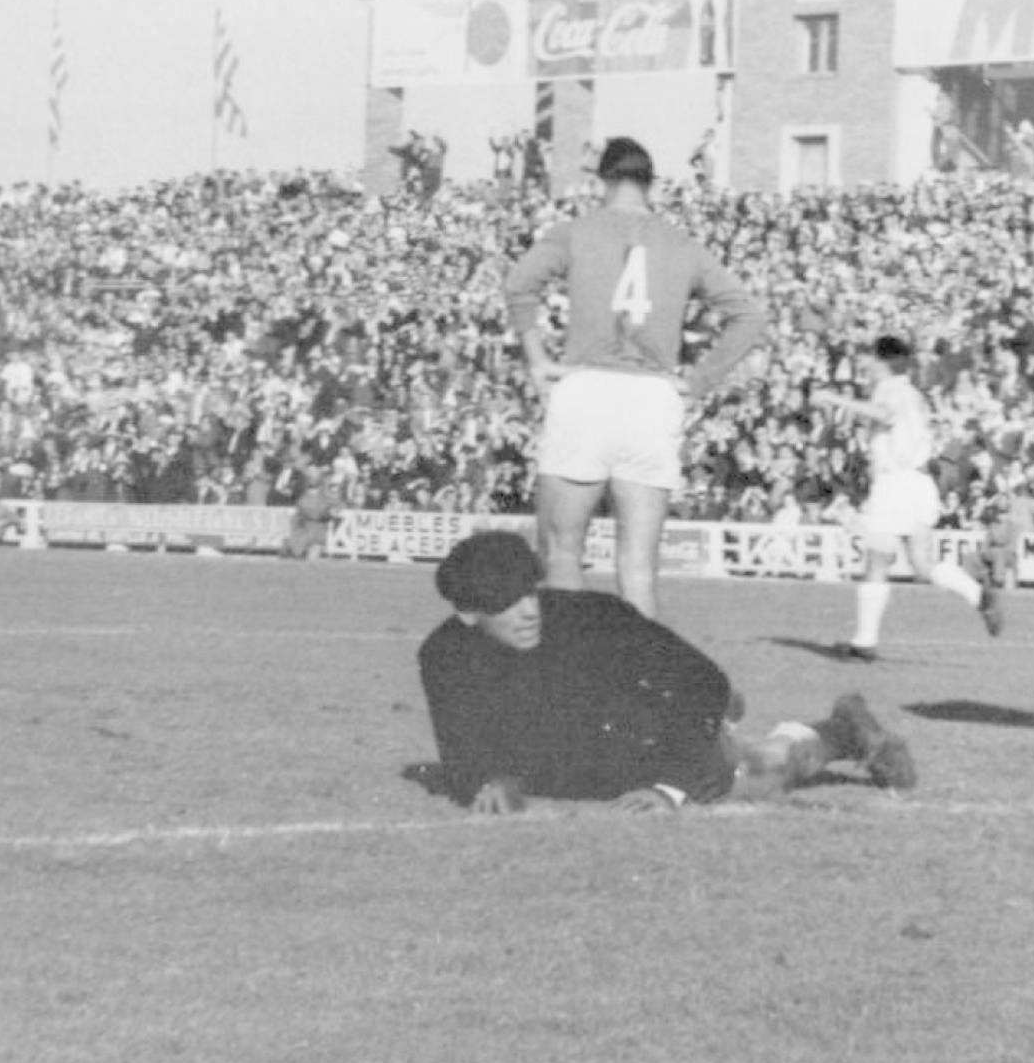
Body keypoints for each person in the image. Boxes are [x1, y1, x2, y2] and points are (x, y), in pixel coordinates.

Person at [409, 531, 916, 814]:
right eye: (505, 603)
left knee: (754, 773)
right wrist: (487, 779)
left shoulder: (595, 617)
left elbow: (704, 681)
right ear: (468, 614)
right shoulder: (443, 655)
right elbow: (459, 746)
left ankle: (843, 730)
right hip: (589, 752)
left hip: (662, 732)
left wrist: (670, 787)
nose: (527, 610)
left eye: (529, 592)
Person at [502, 136, 767, 619]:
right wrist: (700, 378)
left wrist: (538, 357)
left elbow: (520, 285)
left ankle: (569, 673)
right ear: (651, 185)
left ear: (603, 180)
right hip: (653, 398)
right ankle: (640, 683)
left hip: (588, 390)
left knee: (562, 551)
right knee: (640, 566)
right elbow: (748, 316)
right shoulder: (682, 243)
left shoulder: (576, 230)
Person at [810, 335, 1003, 661]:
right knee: (921, 563)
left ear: (881, 360)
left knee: (878, 561)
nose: (863, 364)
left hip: (895, 482)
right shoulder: (911, 391)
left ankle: (864, 642)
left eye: (868, 357)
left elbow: (885, 416)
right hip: (919, 481)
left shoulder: (891, 390)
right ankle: (978, 595)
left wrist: (834, 399)